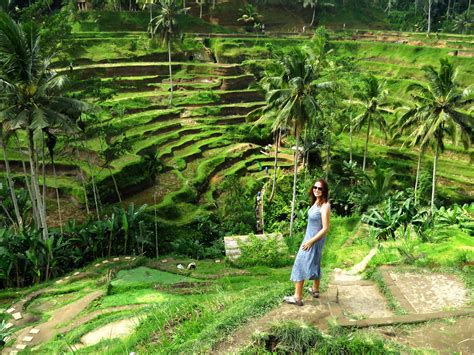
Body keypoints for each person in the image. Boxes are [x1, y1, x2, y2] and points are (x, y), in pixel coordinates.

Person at [283, 179, 330, 306]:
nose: (317, 190)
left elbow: (325, 228)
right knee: (315, 261)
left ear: (324, 190)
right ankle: (315, 290)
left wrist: (310, 241)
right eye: (315, 187)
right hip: (310, 238)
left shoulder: (325, 206)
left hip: (314, 240)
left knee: (300, 263)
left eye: (320, 188)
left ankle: (297, 297)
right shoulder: (316, 203)